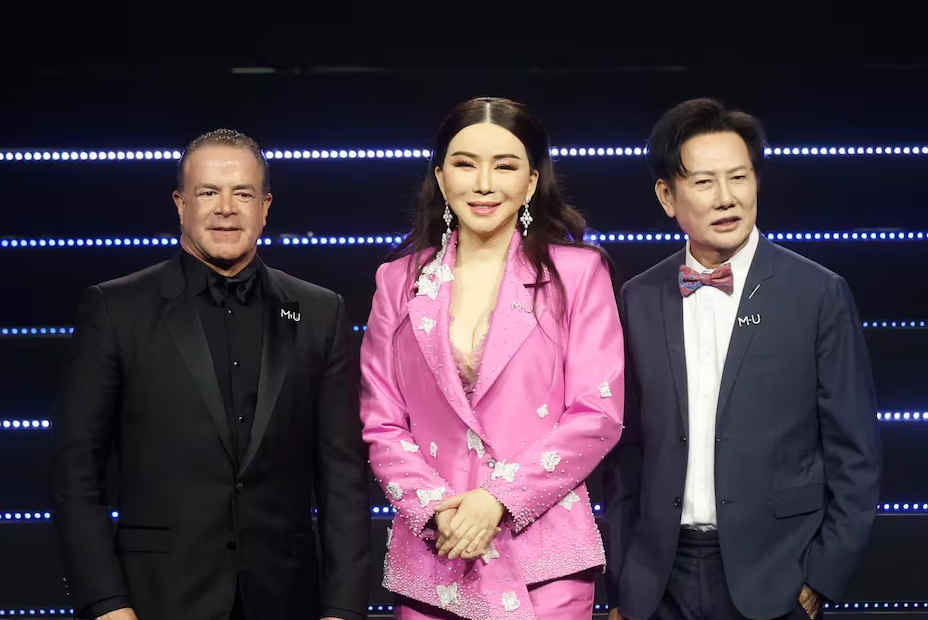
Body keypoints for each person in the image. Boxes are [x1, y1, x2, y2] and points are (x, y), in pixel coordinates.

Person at [50, 129, 370, 620]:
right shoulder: (115, 309)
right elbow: (76, 471)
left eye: (242, 193)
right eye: (207, 193)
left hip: (286, 598)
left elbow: (342, 477)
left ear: (265, 207)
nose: (226, 208)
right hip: (155, 600)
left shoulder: (320, 313)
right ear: (180, 204)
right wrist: (105, 603)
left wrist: (343, 610)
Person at [603, 99, 882, 620]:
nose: (727, 197)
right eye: (704, 182)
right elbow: (627, 452)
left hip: (776, 575)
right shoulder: (638, 298)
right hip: (658, 581)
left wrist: (820, 577)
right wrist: (623, 578)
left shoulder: (816, 293)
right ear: (667, 196)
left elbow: (855, 453)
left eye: (739, 177)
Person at [359, 97, 624, 620]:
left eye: (504, 166)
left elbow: (597, 413)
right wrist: (438, 510)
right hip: (438, 553)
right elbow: (381, 420)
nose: (483, 184)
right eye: (465, 164)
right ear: (441, 178)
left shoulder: (578, 274)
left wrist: (497, 499)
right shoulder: (398, 282)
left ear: (531, 182)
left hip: (542, 557)